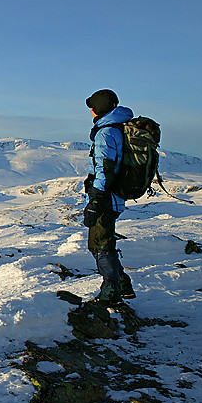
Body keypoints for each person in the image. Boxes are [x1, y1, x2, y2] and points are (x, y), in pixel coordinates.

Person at [83, 89, 136, 303]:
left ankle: (111, 291)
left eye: (92, 108)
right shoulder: (116, 128)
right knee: (102, 243)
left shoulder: (106, 132)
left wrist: (95, 199)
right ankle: (122, 285)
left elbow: (104, 168)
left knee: (100, 245)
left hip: (105, 197)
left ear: (98, 108)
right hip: (110, 196)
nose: (91, 112)